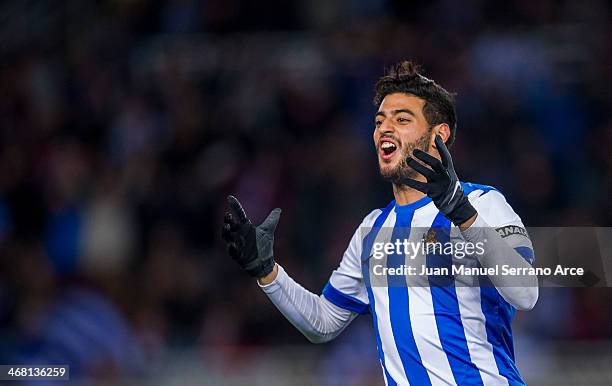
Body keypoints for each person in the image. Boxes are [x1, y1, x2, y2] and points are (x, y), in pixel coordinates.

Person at [221, 61, 538, 386]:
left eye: (402, 119)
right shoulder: (372, 229)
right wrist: (267, 273)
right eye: (379, 121)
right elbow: (324, 321)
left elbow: (526, 293)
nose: (385, 129)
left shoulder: (483, 203)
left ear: (437, 135)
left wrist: (461, 212)